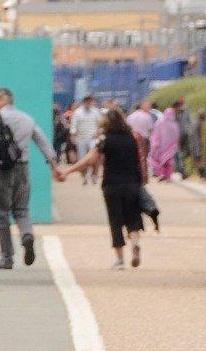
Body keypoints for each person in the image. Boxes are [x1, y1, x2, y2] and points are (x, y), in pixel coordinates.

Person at [0, 85, 63, 270]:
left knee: (1, 213)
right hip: (23, 168)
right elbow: (42, 141)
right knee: (21, 209)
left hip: (3, 170)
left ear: (4, 100)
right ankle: (26, 234)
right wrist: (54, 166)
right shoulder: (27, 119)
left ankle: (7, 256)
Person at [63, 102, 148, 269]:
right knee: (132, 218)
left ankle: (120, 260)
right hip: (132, 183)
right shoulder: (132, 138)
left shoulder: (104, 140)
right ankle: (135, 242)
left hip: (112, 184)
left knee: (115, 220)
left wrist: (67, 172)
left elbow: (89, 160)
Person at [69, 96, 103, 183]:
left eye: (89, 101)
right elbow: (74, 125)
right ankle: (84, 177)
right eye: (86, 101)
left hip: (93, 138)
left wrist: (98, 133)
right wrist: (73, 136)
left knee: (95, 158)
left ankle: (94, 175)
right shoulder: (77, 112)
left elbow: (101, 124)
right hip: (81, 138)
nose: (88, 103)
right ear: (84, 102)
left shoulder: (96, 112)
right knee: (82, 159)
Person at [148, 105, 181, 182]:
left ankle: (161, 174)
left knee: (157, 162)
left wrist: (155, 143)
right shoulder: (174, 124)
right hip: (170, 148)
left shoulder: (159, 122)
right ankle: (168, 177)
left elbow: (155, 133)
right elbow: (177, 136)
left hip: (159, 147)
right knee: (169, 163)